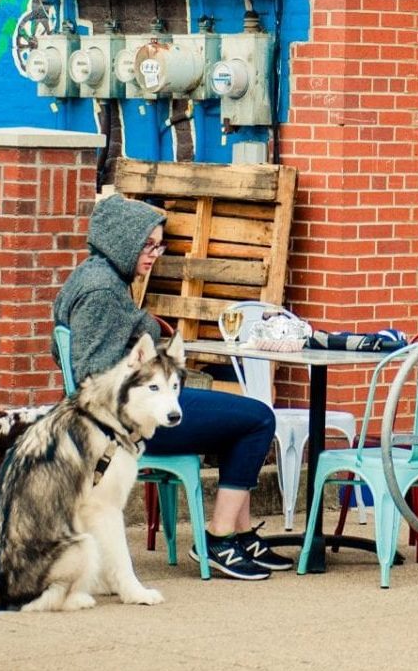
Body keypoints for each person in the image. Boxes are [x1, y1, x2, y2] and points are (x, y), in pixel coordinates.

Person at [52, 192, 288, 582]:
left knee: (241, 419)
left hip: (135, 413)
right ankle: (219, 540)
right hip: (130, 426)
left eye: (158, 245)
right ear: (120, 240)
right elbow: (91, 373)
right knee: (259, 417)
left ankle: (241, 535)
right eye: (147, 244)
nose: (154, 254)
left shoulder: (97, 276)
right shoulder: (102, 292)